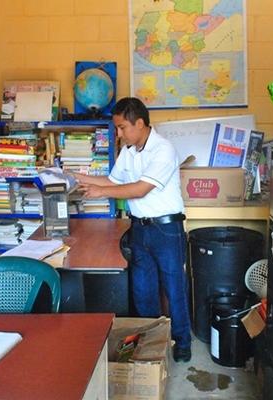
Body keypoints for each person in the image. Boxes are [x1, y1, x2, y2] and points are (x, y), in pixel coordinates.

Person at [74, 97, 192, 362]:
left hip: (166, 230)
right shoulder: (129, 150)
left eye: (122, 127)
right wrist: (78, 178)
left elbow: (140, 188)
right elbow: (113, 180)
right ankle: (151, 342)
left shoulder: (164, 149)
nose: (118, 133)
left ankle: (183, 343)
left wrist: (101, 192)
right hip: (139, 229)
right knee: (143, 291)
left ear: (140, 123)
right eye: (116, 128)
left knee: (175, 289)